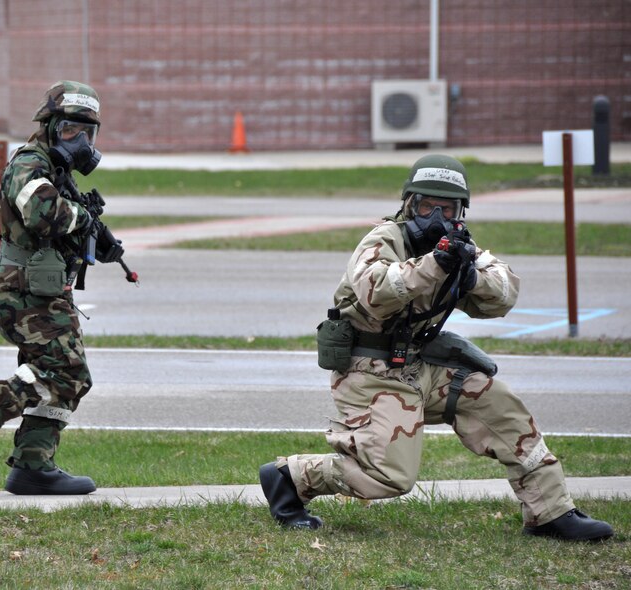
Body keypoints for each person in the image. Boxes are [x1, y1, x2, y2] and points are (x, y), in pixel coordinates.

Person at [259, 154, 614, 541]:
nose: (436, 217)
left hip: (422, 366)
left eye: (447, 209)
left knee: (501, 406)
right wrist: (435, 265)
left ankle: (551, 513)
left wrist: (469, 275)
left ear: (461, 212)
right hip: (370, 373)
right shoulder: (385, 239)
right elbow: (376, 291)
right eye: (427, 206)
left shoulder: (460, 247)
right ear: (409, 204)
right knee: (389, 477)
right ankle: (290, 477)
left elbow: (505, 291)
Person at [0, 80, 125, 495]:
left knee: (67, 377)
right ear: (50, 126)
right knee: (67, 373)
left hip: (44, 290)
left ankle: (33, 465)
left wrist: (96, 239)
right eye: (70, 130)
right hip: (25, 293)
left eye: (88, 133)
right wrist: (83, 218)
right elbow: (43, 213)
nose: (80, 142)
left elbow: (59, 224)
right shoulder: (29, 164)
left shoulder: (56, 171)